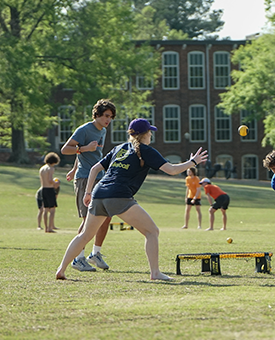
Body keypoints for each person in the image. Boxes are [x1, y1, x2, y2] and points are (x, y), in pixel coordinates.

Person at [55, 118, 208, 281]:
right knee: (152, 231)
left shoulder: (119, 148)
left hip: (99, 193)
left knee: (84, 235)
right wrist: (192, 162)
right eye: (150, 132)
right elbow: (171, 170)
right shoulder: (146, 150)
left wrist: (87, 193)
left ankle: (61, 269)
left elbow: (94, 168)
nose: (151, 135)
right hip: (119, 195)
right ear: (145, 134)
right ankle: (155, 273)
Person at [61, 99, 115, 271]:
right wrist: (83, 150)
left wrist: (74, 166)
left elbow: (92, 153)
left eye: (111, 117)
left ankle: (95, 253)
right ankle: (78, 258)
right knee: (88, 219)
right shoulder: (84, 129)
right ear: (97, 114)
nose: (108, 120)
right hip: (85, 178)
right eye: (106, 116)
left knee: (106, 217)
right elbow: (66, 149)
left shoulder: (103, 131)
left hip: (100, 177)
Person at [39, 152, 61, 233]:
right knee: (52, 210)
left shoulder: (42, 168)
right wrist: (56, 183)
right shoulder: (50, 168)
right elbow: (50, 180)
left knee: (45, 209)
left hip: (43, 189)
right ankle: (50, 227)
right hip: (50, 189)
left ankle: (46, 228)